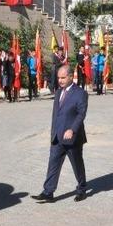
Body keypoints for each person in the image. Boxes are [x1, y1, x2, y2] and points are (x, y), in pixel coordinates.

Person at [31, 64, 88, 203]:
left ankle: (81, 189)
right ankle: (48, 192)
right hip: (57, 136)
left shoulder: (80, 93)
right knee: (53, 163)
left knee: (77, 164)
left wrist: (72, 129)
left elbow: (81, 114)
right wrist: (52, 133)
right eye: (58, 78)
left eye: (63, 77)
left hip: (72, 138)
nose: (60, 80)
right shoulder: (58, 92)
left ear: (70, 76)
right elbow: (56, 115)